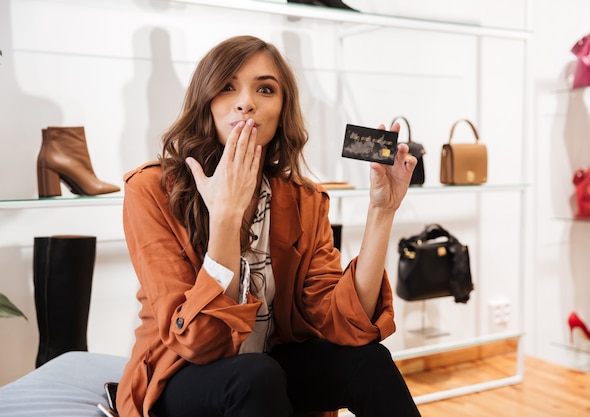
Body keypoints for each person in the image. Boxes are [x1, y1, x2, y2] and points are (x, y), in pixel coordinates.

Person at [117, 35, 422, 417]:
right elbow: (198, 342)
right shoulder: (150, 190)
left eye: (265, 89)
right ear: (206, 103)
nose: (246, 101)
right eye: (227, 87)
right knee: (256, 376)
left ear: (281, 110)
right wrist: (225, 218)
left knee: (369, 361)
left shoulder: (302, 200)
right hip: (181, 375)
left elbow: (345, 323)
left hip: (268, 369)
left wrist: (382, 211)